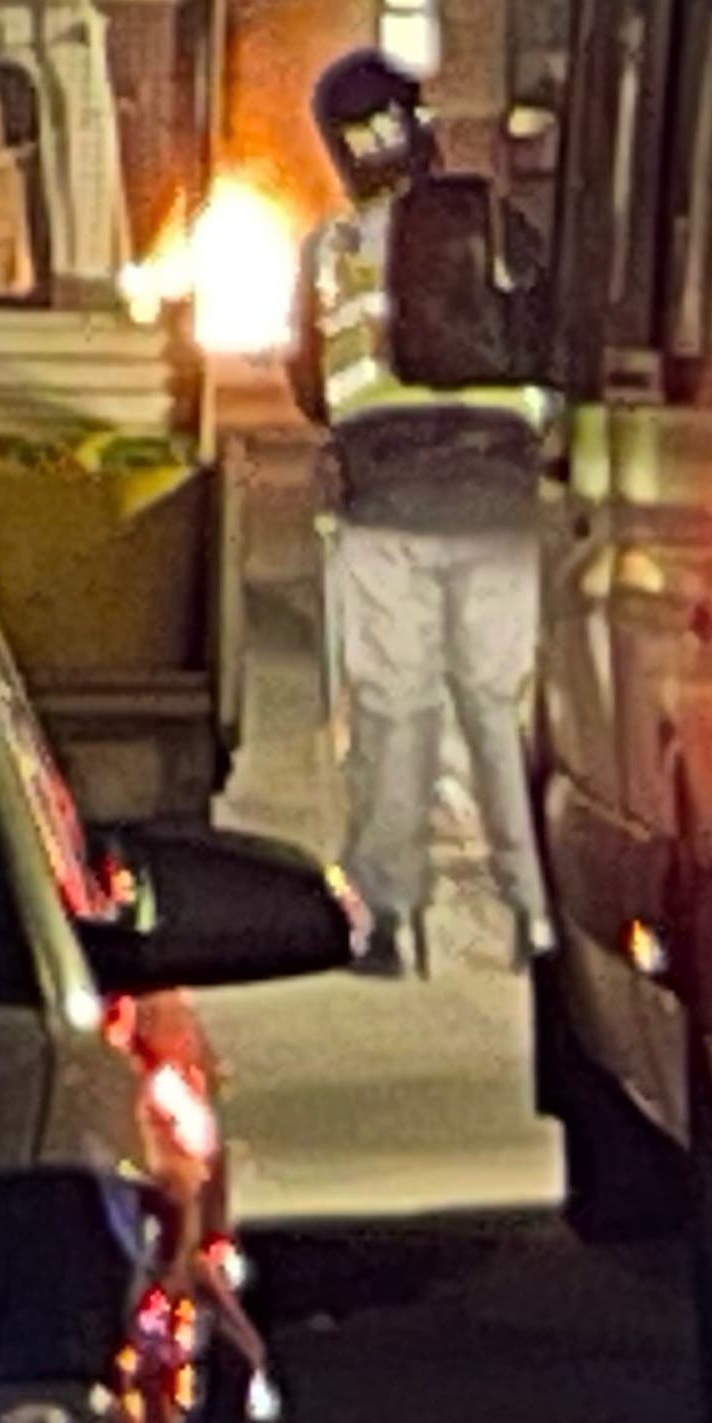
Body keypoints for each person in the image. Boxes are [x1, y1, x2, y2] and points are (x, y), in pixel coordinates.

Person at [286, 49, 559, 977]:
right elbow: (551, 336)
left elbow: (312, 391)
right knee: (501, 709)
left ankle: (389, 920)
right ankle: (536, 913)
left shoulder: (331, 252)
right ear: (420, 123)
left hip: (386, 508)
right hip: (501, 497)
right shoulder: (496, 224)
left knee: (393, 712)